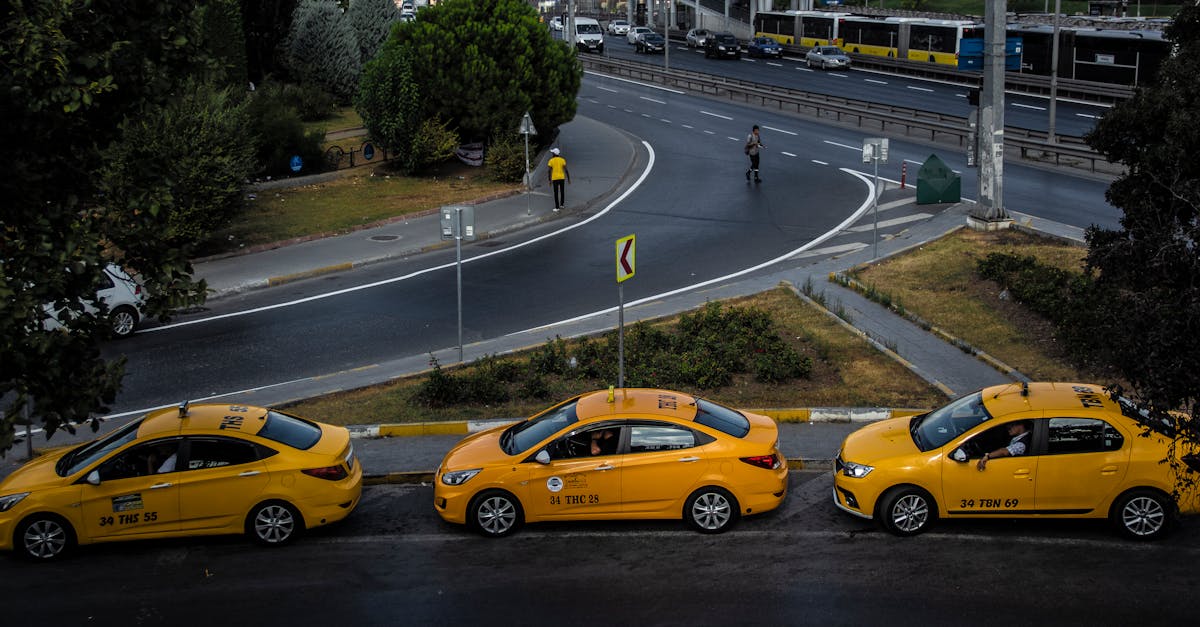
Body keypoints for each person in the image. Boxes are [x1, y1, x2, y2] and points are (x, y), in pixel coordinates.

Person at [547, 147, 570, 211]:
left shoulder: (551, 160)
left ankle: (557, 207)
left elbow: (549, 171)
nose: (552, 154)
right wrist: (568, 178)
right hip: (562, 177)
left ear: (554, 154)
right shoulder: (562, 160)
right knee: (562, 191)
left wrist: (549, 180)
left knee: (556, 192)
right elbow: (566, 170)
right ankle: (562, 205)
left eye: (552, 153)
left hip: (555, 178)